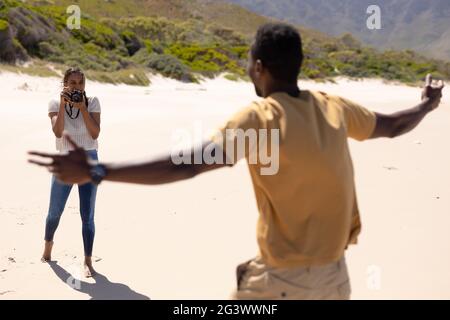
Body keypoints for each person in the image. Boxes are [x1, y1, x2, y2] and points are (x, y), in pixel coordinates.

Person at [28, 23, 444, 299]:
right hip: (337, 280)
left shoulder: (260, 118)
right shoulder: (333, 106)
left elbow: (187, 163)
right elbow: (391, 125)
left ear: (259, 68)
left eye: (248, 61)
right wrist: (426, 106)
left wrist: (100, 170)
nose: (247, 68)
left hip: (283, 282)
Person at [40, 67, 101, 278]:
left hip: (89, 161)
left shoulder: (92, 102)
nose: (76, 87)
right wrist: (65, 104)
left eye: (80, 83)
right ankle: (48, 244)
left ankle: (87, 261)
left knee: (88, 215)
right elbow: (58, 132)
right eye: (72, 83)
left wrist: (83, 109)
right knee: (54, 211)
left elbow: (95, 134)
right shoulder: (55, 103)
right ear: (64, 83)